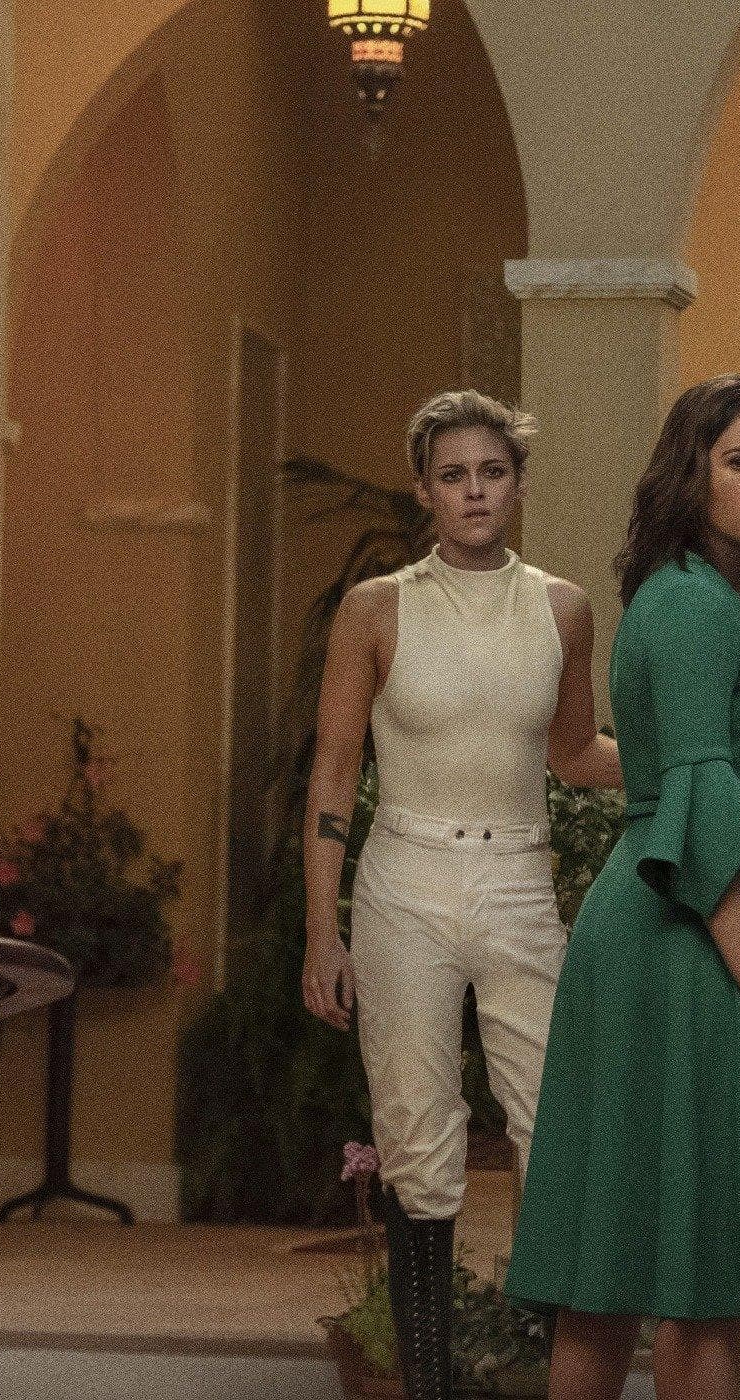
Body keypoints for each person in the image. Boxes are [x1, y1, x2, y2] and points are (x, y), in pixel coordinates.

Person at [506, 375, 740, 1400]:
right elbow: (696, 808)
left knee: (613, 1268)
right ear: (690, 477)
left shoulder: (694, 598)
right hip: (688, 939)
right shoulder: (691, 606)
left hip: (662, 929)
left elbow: (660, 777)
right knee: (699, 1274)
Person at [301, 389, 622, 1400]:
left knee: (555, 1124)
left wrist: (688, 759)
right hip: (404, 879)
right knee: (416, 1134)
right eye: (453, 475)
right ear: (423, 490)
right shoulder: (376, 608)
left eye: (492, 471)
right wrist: (321, 929)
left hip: (520, 878)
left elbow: (574, 752)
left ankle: (550, 1364)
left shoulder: (562, 607)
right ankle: (429, 1384)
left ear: (518, 483)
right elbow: (333, 766)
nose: (474, 491)